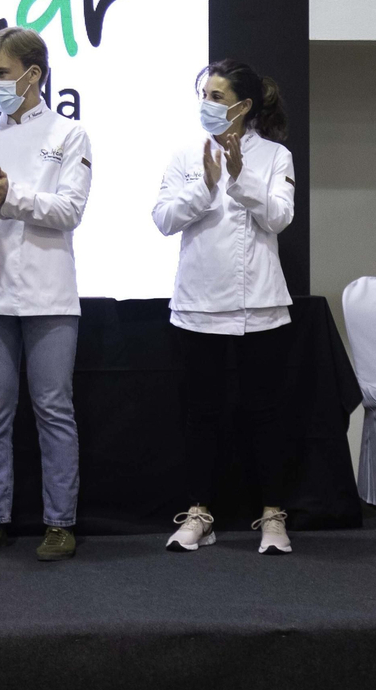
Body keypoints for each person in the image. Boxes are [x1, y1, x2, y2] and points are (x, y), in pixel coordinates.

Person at [0, 27, 92, 562]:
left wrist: (14, 197)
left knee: (53, 407)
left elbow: (70, 211)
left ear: (34, 74)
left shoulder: (69, 135)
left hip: (50, 295)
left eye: (1, 73)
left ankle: (59, 523)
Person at [152, 60, 298, 555]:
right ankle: (199, 514)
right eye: (205, 95)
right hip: (197, 305)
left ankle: (273, 515)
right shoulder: (184, 155)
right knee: (201, 415)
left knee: (267, 414)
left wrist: (239, 177)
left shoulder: (276, 156)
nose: (208, 105)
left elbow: (279, 218)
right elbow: (164, 219)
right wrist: (208, 184)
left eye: (218, 97)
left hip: (260, 306)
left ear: (245, 106)